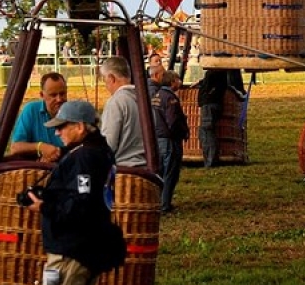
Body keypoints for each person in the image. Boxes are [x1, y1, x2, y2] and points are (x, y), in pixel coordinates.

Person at [26, 100, 127, 285]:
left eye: (62, 126)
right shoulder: (101, 151)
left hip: (70, 251)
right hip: (88, 249)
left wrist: (45, 206)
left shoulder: (83, 157)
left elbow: (81, 203)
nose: (57, 132)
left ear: (80, 127)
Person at [152, 70, 189, 213]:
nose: (180, 82)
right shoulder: (170, 99)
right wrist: (182, 132)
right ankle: (165, 204)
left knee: (160, 172)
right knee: (171, 173)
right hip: (170, 140)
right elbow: (172, 121)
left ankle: (158, 201)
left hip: (158, 139)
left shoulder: (157, 96)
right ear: (172, 82)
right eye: (178, 79)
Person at [10, 72, 68, 162]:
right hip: (38, 167)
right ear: (42, 95)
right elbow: (15, 148)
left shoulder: (74, 114)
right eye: (53, 95)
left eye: (62, 94)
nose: (59, 99)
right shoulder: (31, 110)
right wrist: (40, 147)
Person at [99, 56, 146, 168]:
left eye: (105, 80)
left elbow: (109, 143)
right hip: (146, 169)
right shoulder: (143, 99)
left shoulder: (116, 102)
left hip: (124, 170)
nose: (106, 86)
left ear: (111, 78)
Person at [197, 68, 243, 168]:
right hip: (214, 103)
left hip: (210, 103)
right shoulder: (221, 73)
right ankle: (211, 159)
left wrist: (206, 95)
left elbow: (210, 85)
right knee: (207, 131)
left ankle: (210, 161)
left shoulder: (214, 72)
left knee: (206, 131)